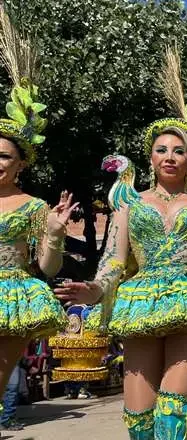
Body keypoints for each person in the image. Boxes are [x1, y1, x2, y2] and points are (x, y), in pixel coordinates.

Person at [54, 46, 187, 439]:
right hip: (141, 301)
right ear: (149, 158)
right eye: (161, 150)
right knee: (138, 417)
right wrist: (96, 288)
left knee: (172, 412)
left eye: (179, 151)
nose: (169, 157)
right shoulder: (129, 202)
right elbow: (115, 258)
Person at [0, 7, 75, 421]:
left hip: (8, 298)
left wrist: (54, 233)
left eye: (5, 156)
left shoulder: (33, 207)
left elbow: (47, 268)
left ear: (21, 163)